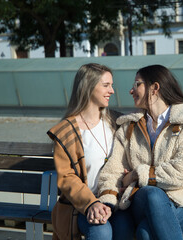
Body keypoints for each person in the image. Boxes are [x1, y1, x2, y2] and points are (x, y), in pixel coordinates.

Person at [98, 64, 183, 240]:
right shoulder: (129, 127)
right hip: (139, 203)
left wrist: (137, 174)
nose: (131, 90)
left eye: (137, 84)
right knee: (139, 204)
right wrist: (107, 201)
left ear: (155, 88)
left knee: (146, 232)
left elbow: (182, 173)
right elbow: (113, 171)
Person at [47, 63, 127, 240]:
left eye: (111, 85)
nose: (112, 91)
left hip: (117, 202)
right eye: (106, 85)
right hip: (82, 205)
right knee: (101, 231)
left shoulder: (117, 122)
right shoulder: (66, 131)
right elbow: (67, 177)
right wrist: (92, 203)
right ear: (88, 87)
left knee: (125, 228)